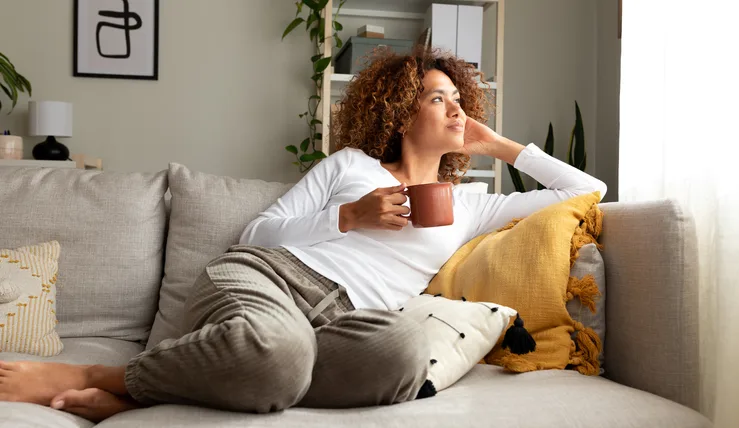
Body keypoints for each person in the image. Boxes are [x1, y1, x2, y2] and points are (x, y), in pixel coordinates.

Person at [0, 46, 606, 422]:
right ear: (398, 114)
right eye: (436, 98)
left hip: (346, 320)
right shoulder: (349, 167)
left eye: (458, 100)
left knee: (400, 354)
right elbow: (258, 233)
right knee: (279, 353)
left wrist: (495, 145)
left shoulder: (471, 205)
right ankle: (100, 377)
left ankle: (175, 390)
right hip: (269, 279)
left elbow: (587, 191)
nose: (455, 110)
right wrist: (350, 217)